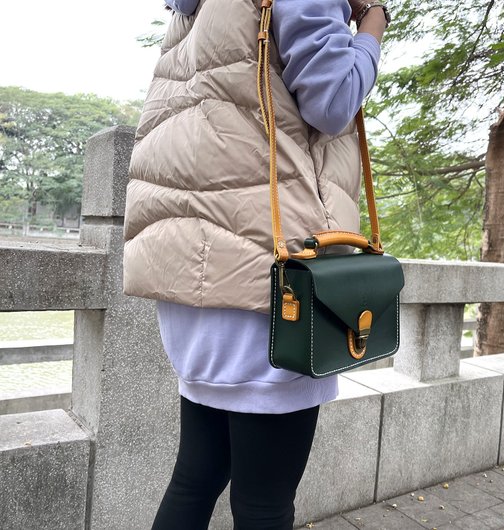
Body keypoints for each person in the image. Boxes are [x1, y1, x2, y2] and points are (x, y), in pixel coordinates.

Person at [123, 0, 389, 528]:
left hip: (196, 274)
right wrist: (374, 20)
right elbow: (332, 101)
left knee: (194, 478)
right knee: (264, 502)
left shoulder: (189, 12)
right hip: (271, 280)